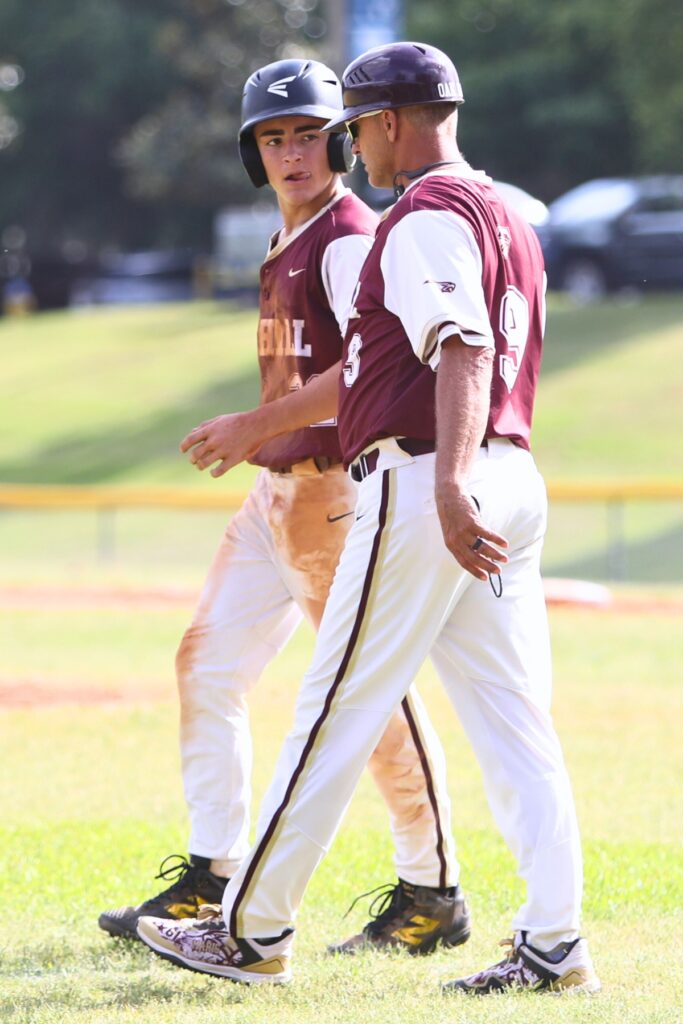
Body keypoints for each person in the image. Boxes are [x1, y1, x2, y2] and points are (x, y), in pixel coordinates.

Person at [134, 42, 600, 995]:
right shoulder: (505, 213)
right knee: (515, 724)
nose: (350, 147)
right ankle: (554, 943)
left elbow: (461, 345)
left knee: (331, 709)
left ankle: (250, 934)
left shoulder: (423, 216)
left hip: (431, 478)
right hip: (510, 471)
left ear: (388, 122)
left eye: (350, 127)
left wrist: (447, 482)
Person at [98, 56, 470, 958]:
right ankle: (212, 871)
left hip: (333, 493)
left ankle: (432, 889)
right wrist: (260, 438)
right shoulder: (287, 238)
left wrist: (249, 423)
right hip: (276, 496)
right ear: (252, 154)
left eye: (308, 132)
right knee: (206, 665)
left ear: (342, 138)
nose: (293, 152)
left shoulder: (346, 236)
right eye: (274, 137)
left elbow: (366, 379)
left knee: (368, 694)